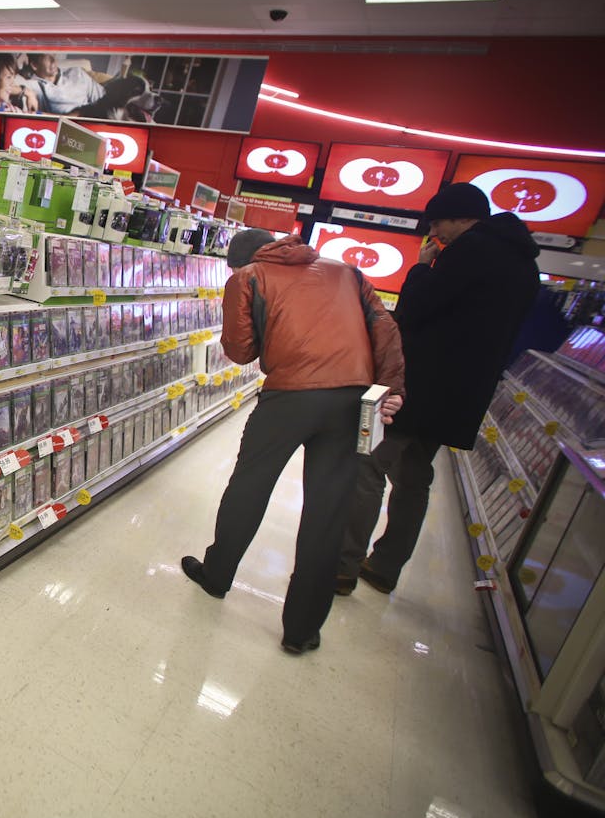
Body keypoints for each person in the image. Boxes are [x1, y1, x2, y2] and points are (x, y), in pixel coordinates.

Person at [180, 230, 405, 654]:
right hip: (352, 400)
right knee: (329, 511)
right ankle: (302, 630)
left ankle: (217, 575)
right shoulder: (348, 272)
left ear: (240, 261)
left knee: (249, 485)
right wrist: (391, 389)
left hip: (289, 396)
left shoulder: (248, 277)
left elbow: (240, 350)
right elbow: (386, 329)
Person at [337, 183, 540, 595]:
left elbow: (416, 309)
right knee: (414, 476)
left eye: (438, 222)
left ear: (464, 217)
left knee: (369, 464)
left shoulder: (471, 251)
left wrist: (421, 268)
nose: (435, 233)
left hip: (419, 385)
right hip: (459, 397)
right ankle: (385, 565)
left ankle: (343, 565)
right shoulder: (524, 266)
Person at [25, 53, 105, 114]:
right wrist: (27, 92)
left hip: (94, 116)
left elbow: (104, 100)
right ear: (34, 65)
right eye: (46, 56)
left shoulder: (77, 72)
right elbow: (13, 84)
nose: (53, 60)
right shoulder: (33, 84)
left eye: (53, 54)